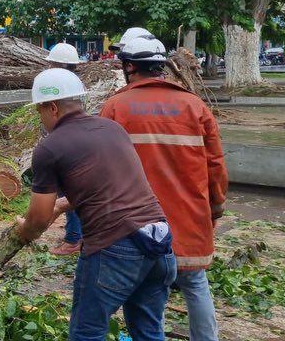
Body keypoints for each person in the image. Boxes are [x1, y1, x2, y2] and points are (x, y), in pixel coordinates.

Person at [16, 69, 176, 341]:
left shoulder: (49, 147)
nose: (40, 118)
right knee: (149, 333)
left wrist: (24, 232)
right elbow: (108, 188)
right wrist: (62, 206)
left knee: (86, 333)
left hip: (115, 251)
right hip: (159, 244)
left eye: (39, 111)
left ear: (52, 107)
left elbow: (38, 219)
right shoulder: (112, 129)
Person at [101, 33, 228, 341]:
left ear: (129, 67)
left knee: (143, 290)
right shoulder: (194, 106)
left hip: (136, 224)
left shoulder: (115, 107)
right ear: (161, 67)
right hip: (188, 216)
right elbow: (215, 165)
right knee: (195, 282)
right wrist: (215, 206)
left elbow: (102, 169)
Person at [42, 42, 84, 256]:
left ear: (57, 64)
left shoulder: (56, 85)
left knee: (67, 195)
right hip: (76, 143)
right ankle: (78, 235)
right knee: (75, 194)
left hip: (64, 145)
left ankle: (73, 239)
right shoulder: (76, 84)